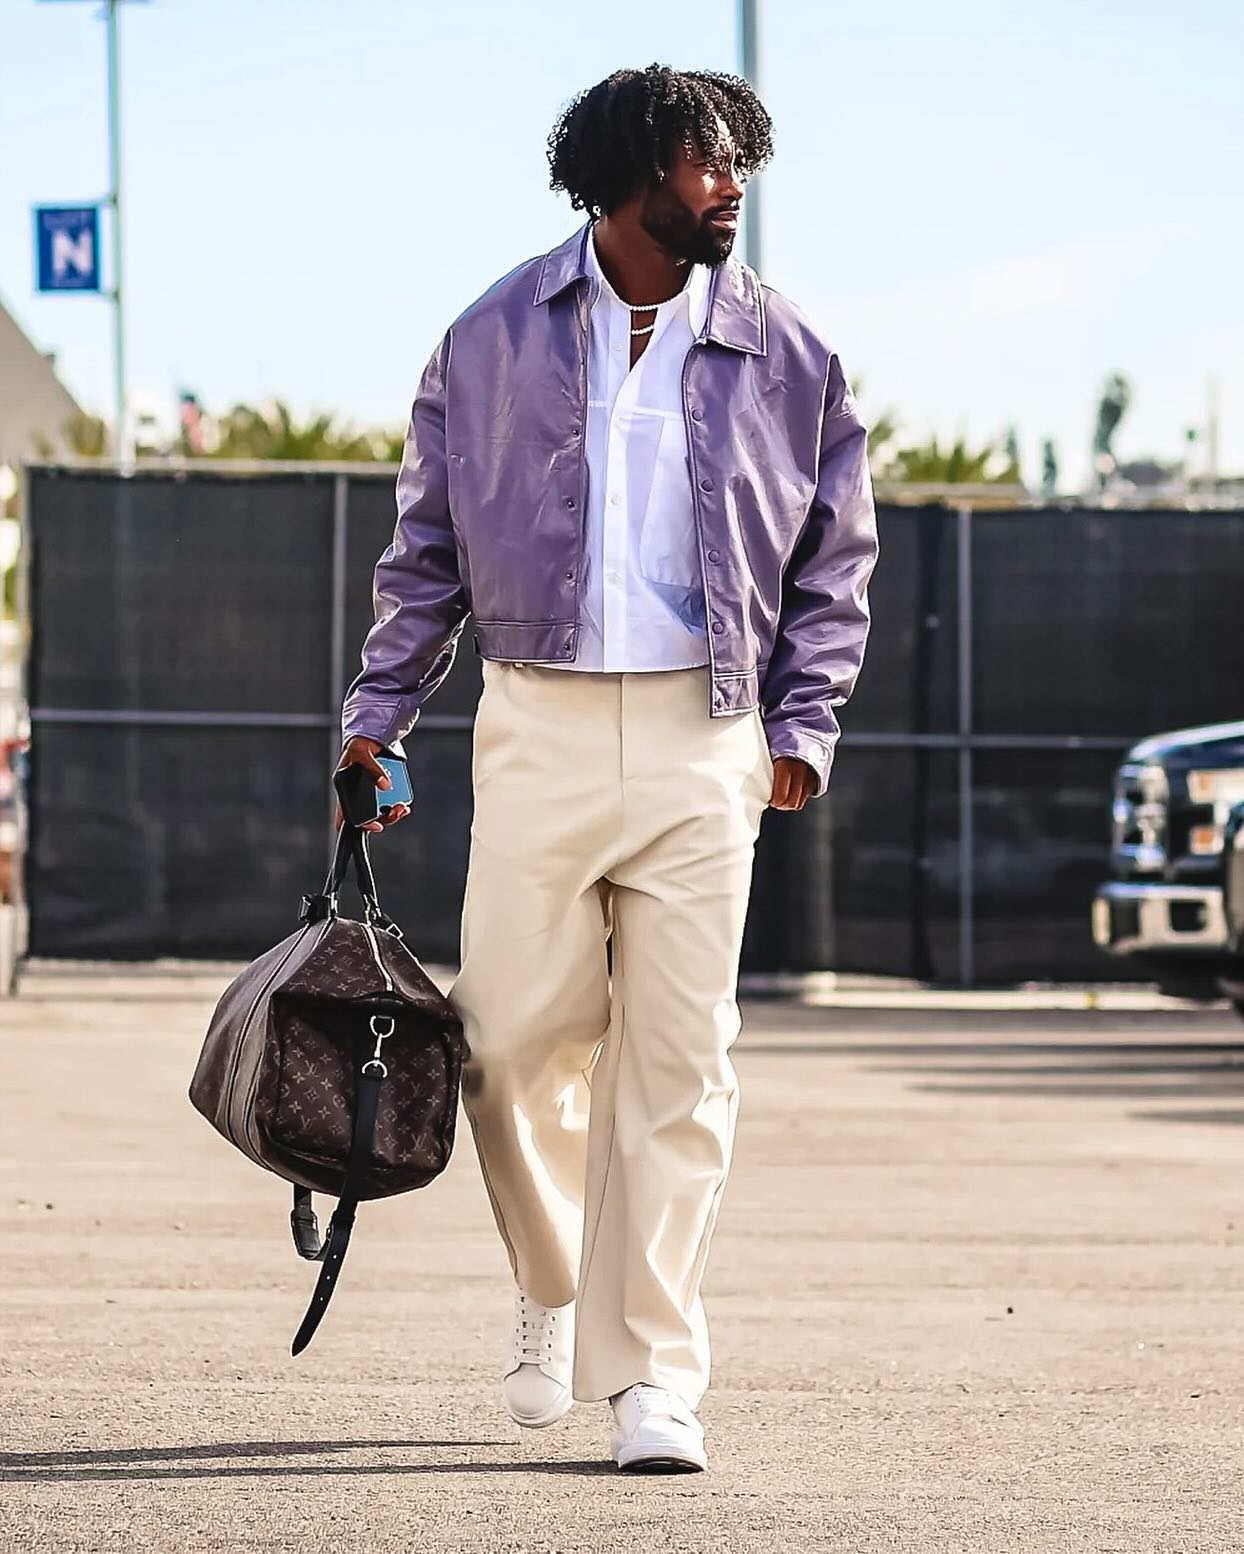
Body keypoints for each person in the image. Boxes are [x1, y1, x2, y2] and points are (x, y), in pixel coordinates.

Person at [336, 64, 878, 1473]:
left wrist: (801, 725)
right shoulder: (490, 337)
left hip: (709, 736)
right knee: (509, 1044)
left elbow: (836, 563)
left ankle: (654, 1377)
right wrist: (376, 720)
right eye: (706, 158)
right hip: (539, 724)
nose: (730, 183)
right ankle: (552, 1280)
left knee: (681, 1064)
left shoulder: (790, 351)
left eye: (739, 157)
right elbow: (424, 557)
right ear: (630, 173)